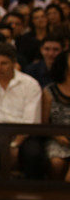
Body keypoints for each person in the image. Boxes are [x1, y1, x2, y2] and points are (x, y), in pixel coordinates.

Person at [0, 43, 46, 181]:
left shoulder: (29, 84)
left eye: (4, 63)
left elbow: (30, 121)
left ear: (14, 63)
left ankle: (32, 194)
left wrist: (15, 145)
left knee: (34, 154)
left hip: (23, 132)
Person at [41, 50, 70, 182]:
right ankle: (53, 196)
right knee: (57, 163)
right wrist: (58, 136)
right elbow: (44, 122)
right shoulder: (49, 91)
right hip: (57, 138)